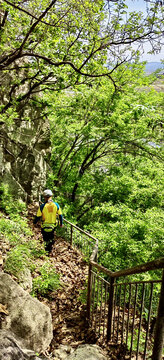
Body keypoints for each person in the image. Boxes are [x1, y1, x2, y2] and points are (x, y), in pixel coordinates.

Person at [33, 189, 63, 254]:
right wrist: (61, 223)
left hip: (44, 226)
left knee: (45, 239)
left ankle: (46, 251)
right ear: (51, 196)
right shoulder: (56, 205)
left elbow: (38, 216)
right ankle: (50, 250)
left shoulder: (42, 206)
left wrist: (34, 222)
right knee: (51, 237)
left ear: (44, 197)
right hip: (53, 225)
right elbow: (60, 215)